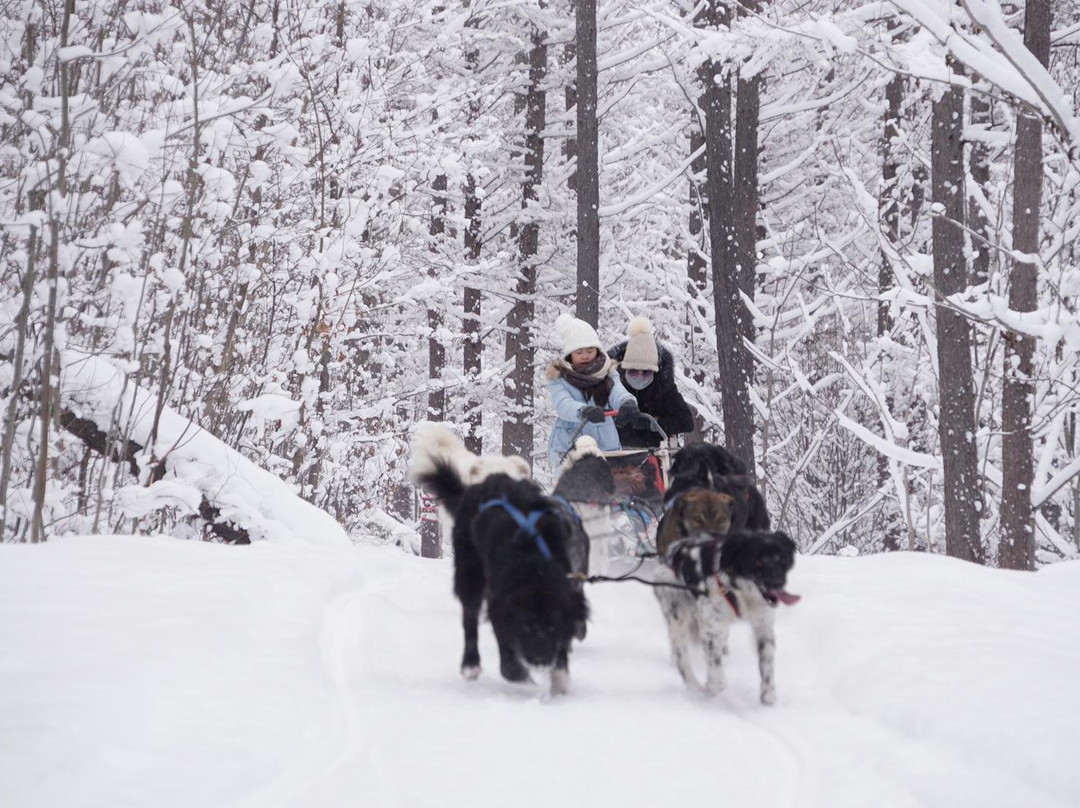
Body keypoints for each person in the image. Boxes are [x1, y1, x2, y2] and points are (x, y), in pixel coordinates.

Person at [546, 313, 644, 470]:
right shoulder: (559, 377)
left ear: (597, 350)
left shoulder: (607, 372)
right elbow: (563, 404)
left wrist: (627, 402)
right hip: (570, 445)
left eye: (590, 350)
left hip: (605, 443)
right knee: (572, 484)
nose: (585, 356)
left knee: (612, 482)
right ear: (570, 354)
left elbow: (616, 391)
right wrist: (583, 411)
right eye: (579, 352)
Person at [608, 316, 695, 448]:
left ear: (655, 371)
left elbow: (686, 422)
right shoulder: (614, 385)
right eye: (633, 371)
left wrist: (652, 423)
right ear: (624, 368)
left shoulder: (664, 387)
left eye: (646, 372)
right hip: (619, 449)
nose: (639, 376)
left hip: (656, 448)